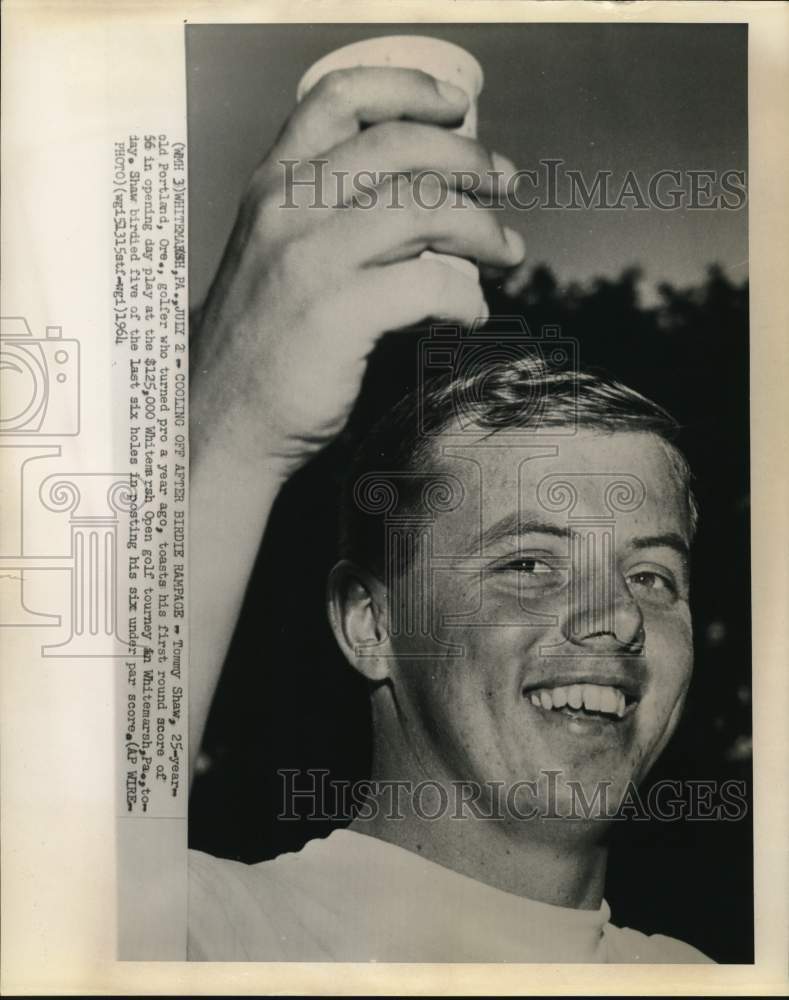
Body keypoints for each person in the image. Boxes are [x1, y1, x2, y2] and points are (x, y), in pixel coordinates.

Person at [187, 65, 712, 963]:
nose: (618, 617)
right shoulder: (208, 939)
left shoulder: (697, 976)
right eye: (529, 563)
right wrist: (226, 432)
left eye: (652, 575)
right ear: (369, 622)